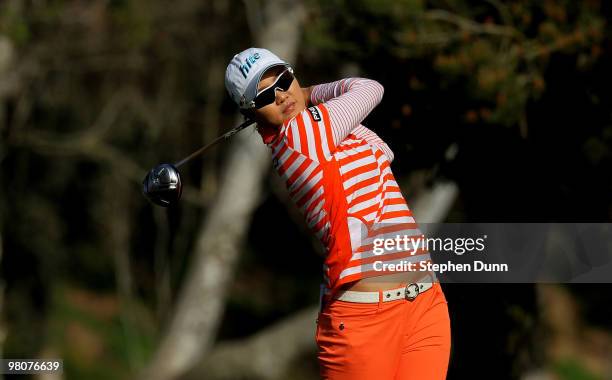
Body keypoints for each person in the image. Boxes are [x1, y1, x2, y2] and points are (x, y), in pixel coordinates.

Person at [225, 47, 451, 380]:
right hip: (365, 321)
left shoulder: (329, 131)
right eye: (264, 94)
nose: (282, 95)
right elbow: (369, 89)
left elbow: (383, 153)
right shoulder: (301, 136)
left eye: (284, 80)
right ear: (250, 109)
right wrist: (309, 92)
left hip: (424, 301)